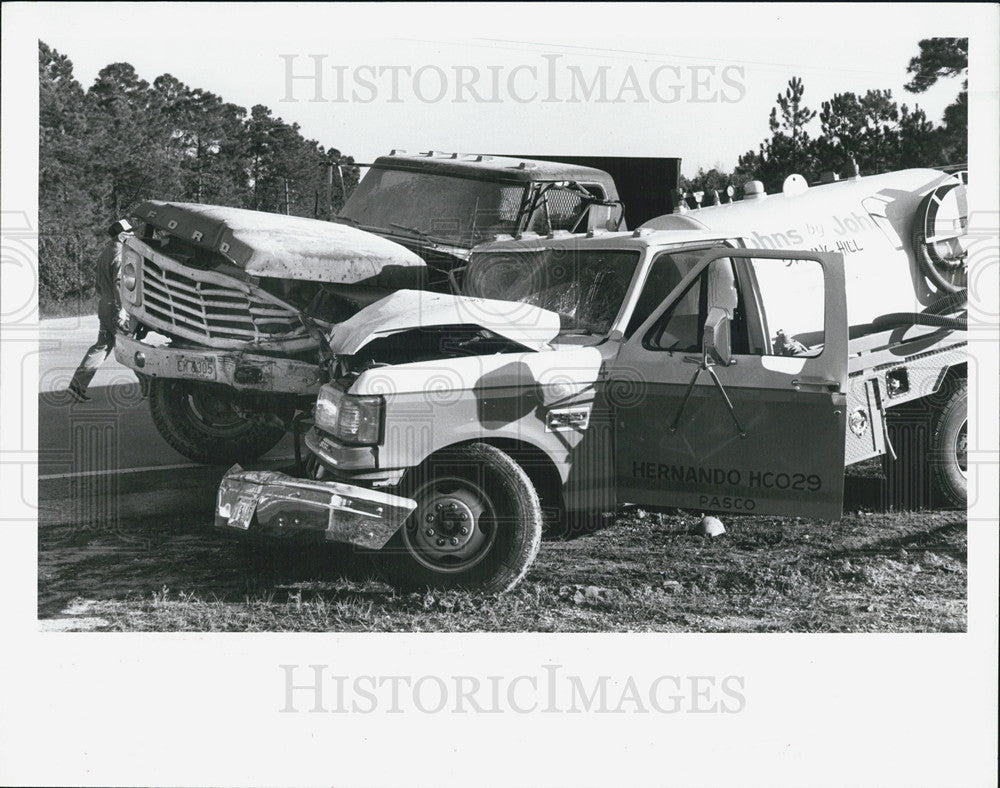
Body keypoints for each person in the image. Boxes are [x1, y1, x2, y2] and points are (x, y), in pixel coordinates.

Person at [67, 219, 132, 402]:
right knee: (131, 348)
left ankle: (77, 386)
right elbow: (119, 284)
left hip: (104, 305)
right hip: (116, 308)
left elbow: (98, 285)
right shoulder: (120, 254)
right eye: (129, 232)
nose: (133, 235)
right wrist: (123, 311)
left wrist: (107, 302)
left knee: (102, 346)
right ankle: (149, 388)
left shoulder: (105, 252)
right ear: (121, 235)